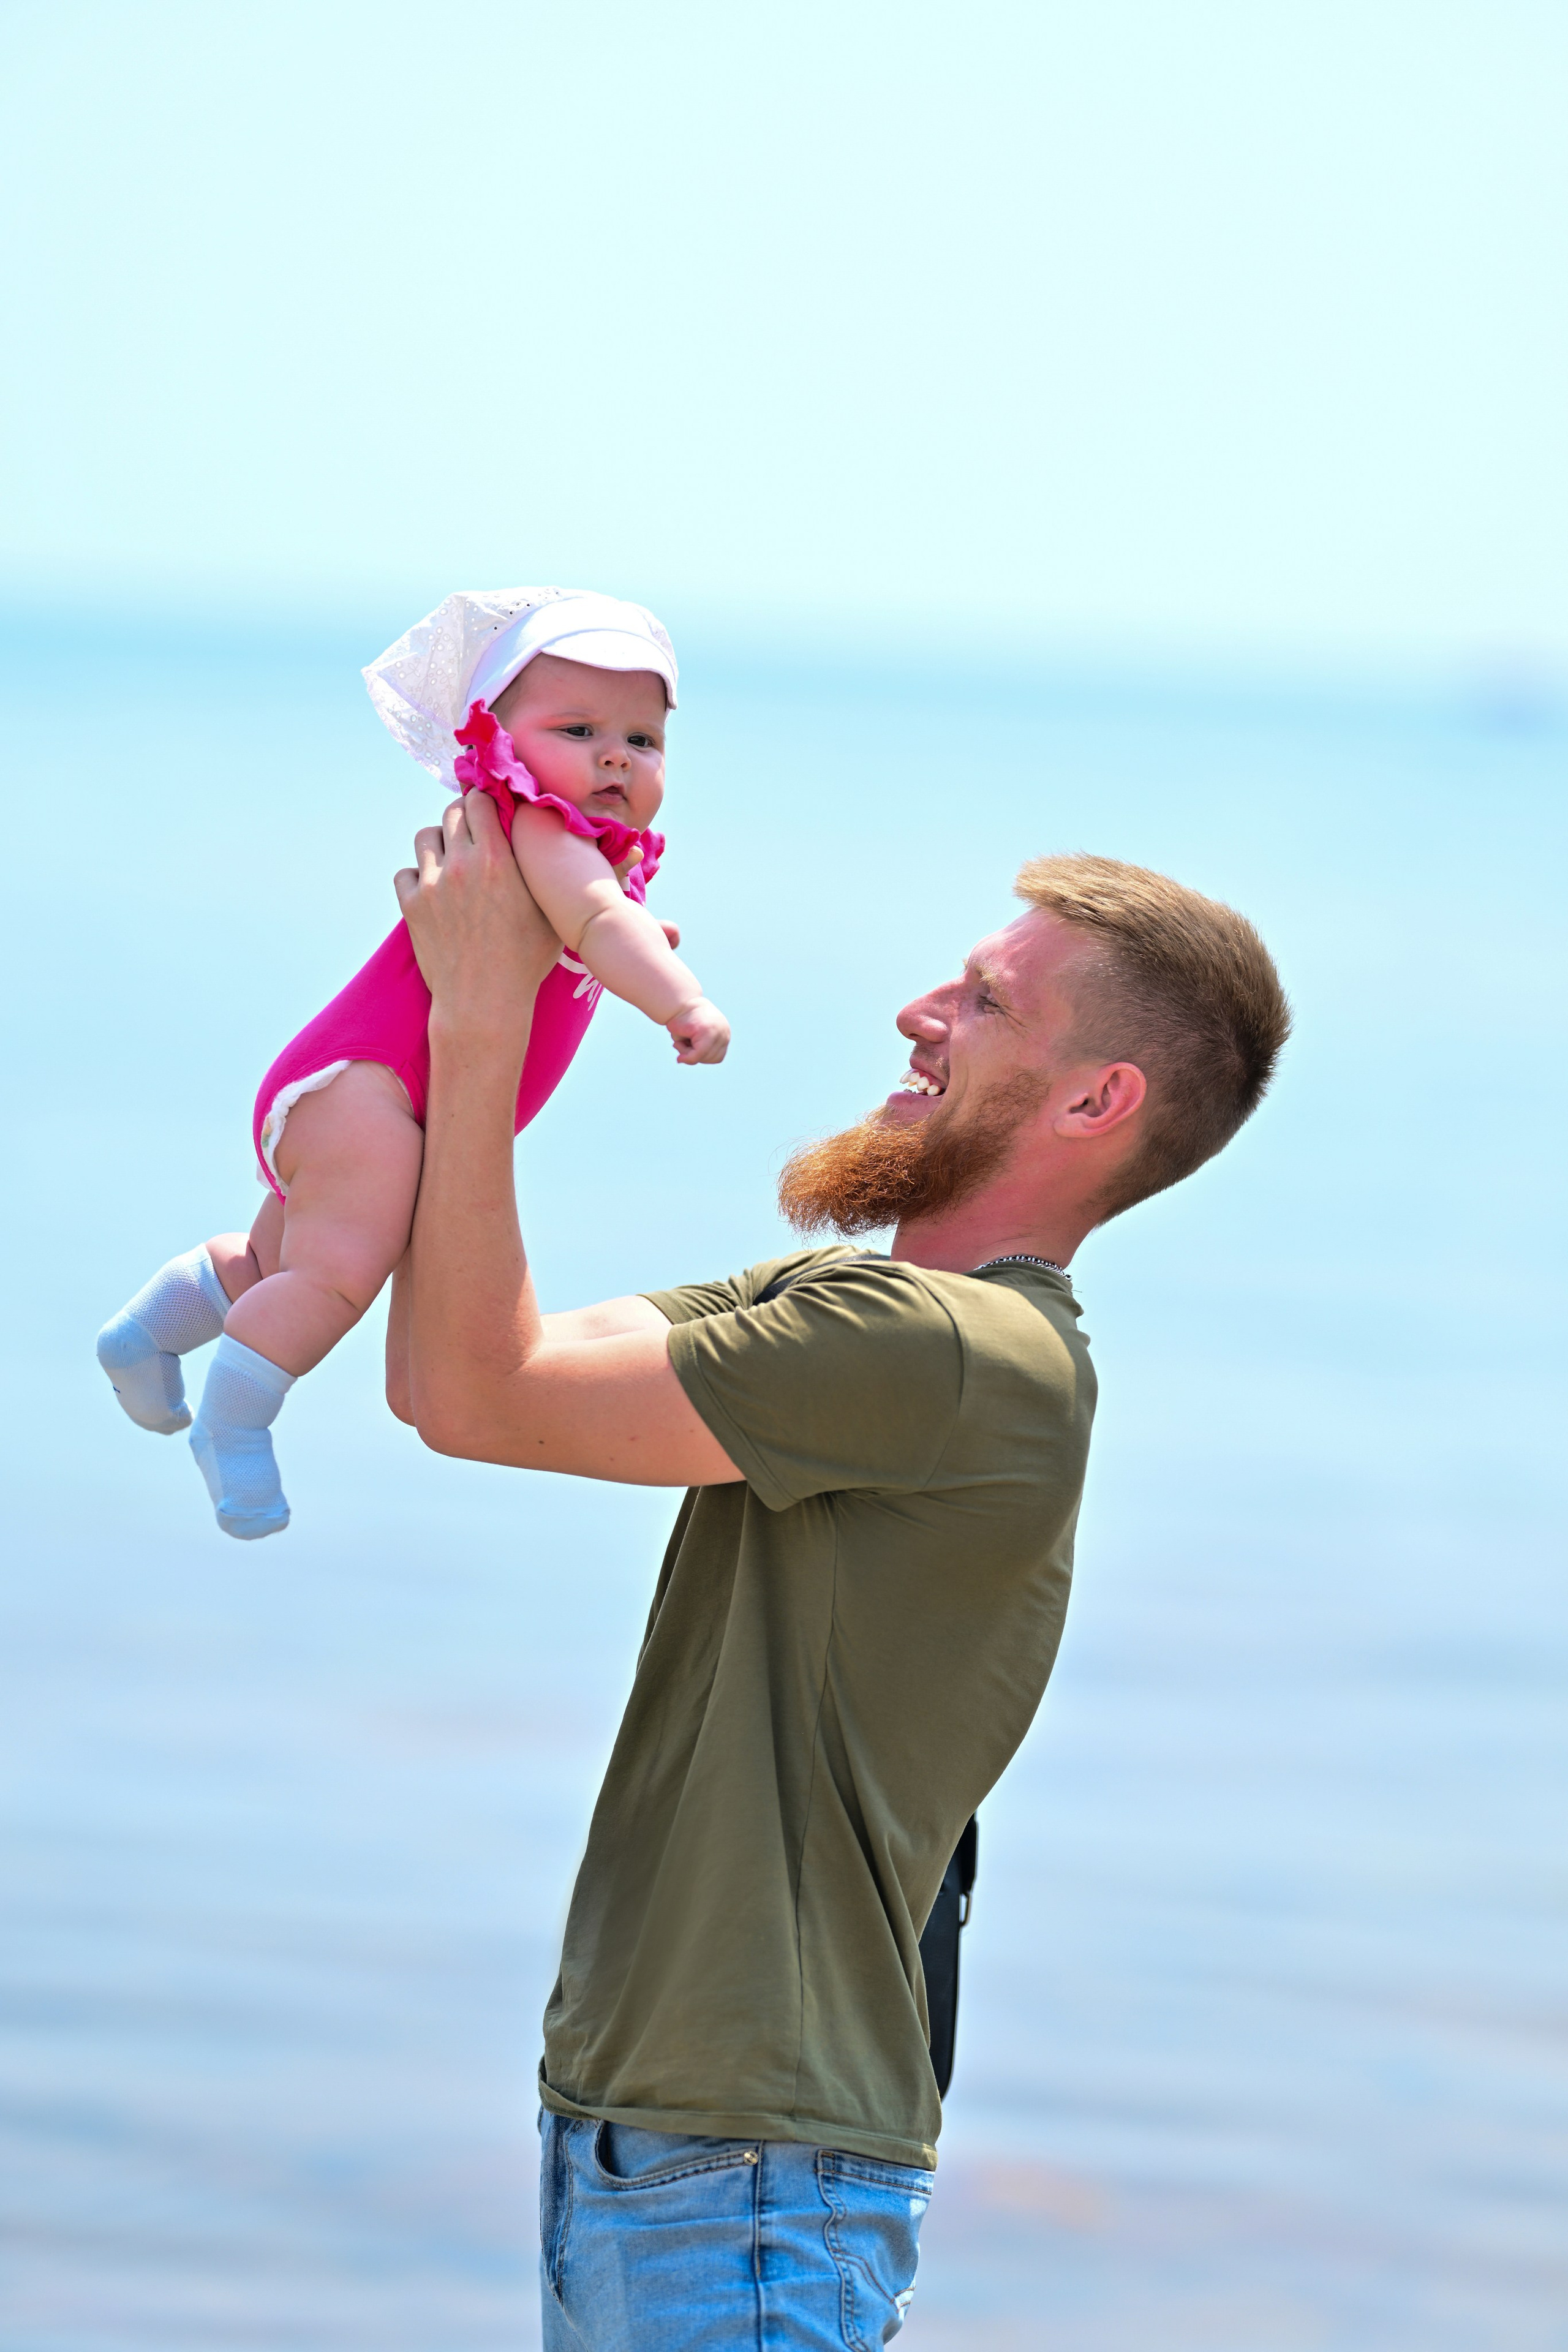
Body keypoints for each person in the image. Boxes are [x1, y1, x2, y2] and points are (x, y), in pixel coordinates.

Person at [391, 794, 1291, 2351]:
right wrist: (492, 993)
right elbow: (467, 1360)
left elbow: (477, 1393)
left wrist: (479, 1016)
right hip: (664, 2148)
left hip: (743, 2174)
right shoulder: (851, 1303)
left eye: (985, 1001)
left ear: (1095, 1102)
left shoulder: (941, 1351)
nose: (917, 1012)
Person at [96, 587, 728, 1540]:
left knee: (282, 1260)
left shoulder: (562, 847)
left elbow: (597, 922)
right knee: (338, 1280)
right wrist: (680, 998)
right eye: (581, 728)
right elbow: (599, 921)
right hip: (375, 1092)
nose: (615, 756)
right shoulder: (540, 829)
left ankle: (146, 1332)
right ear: (497, 740)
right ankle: (236, 1426)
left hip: (356, 1090)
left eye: (643, 740)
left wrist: (628, 939)